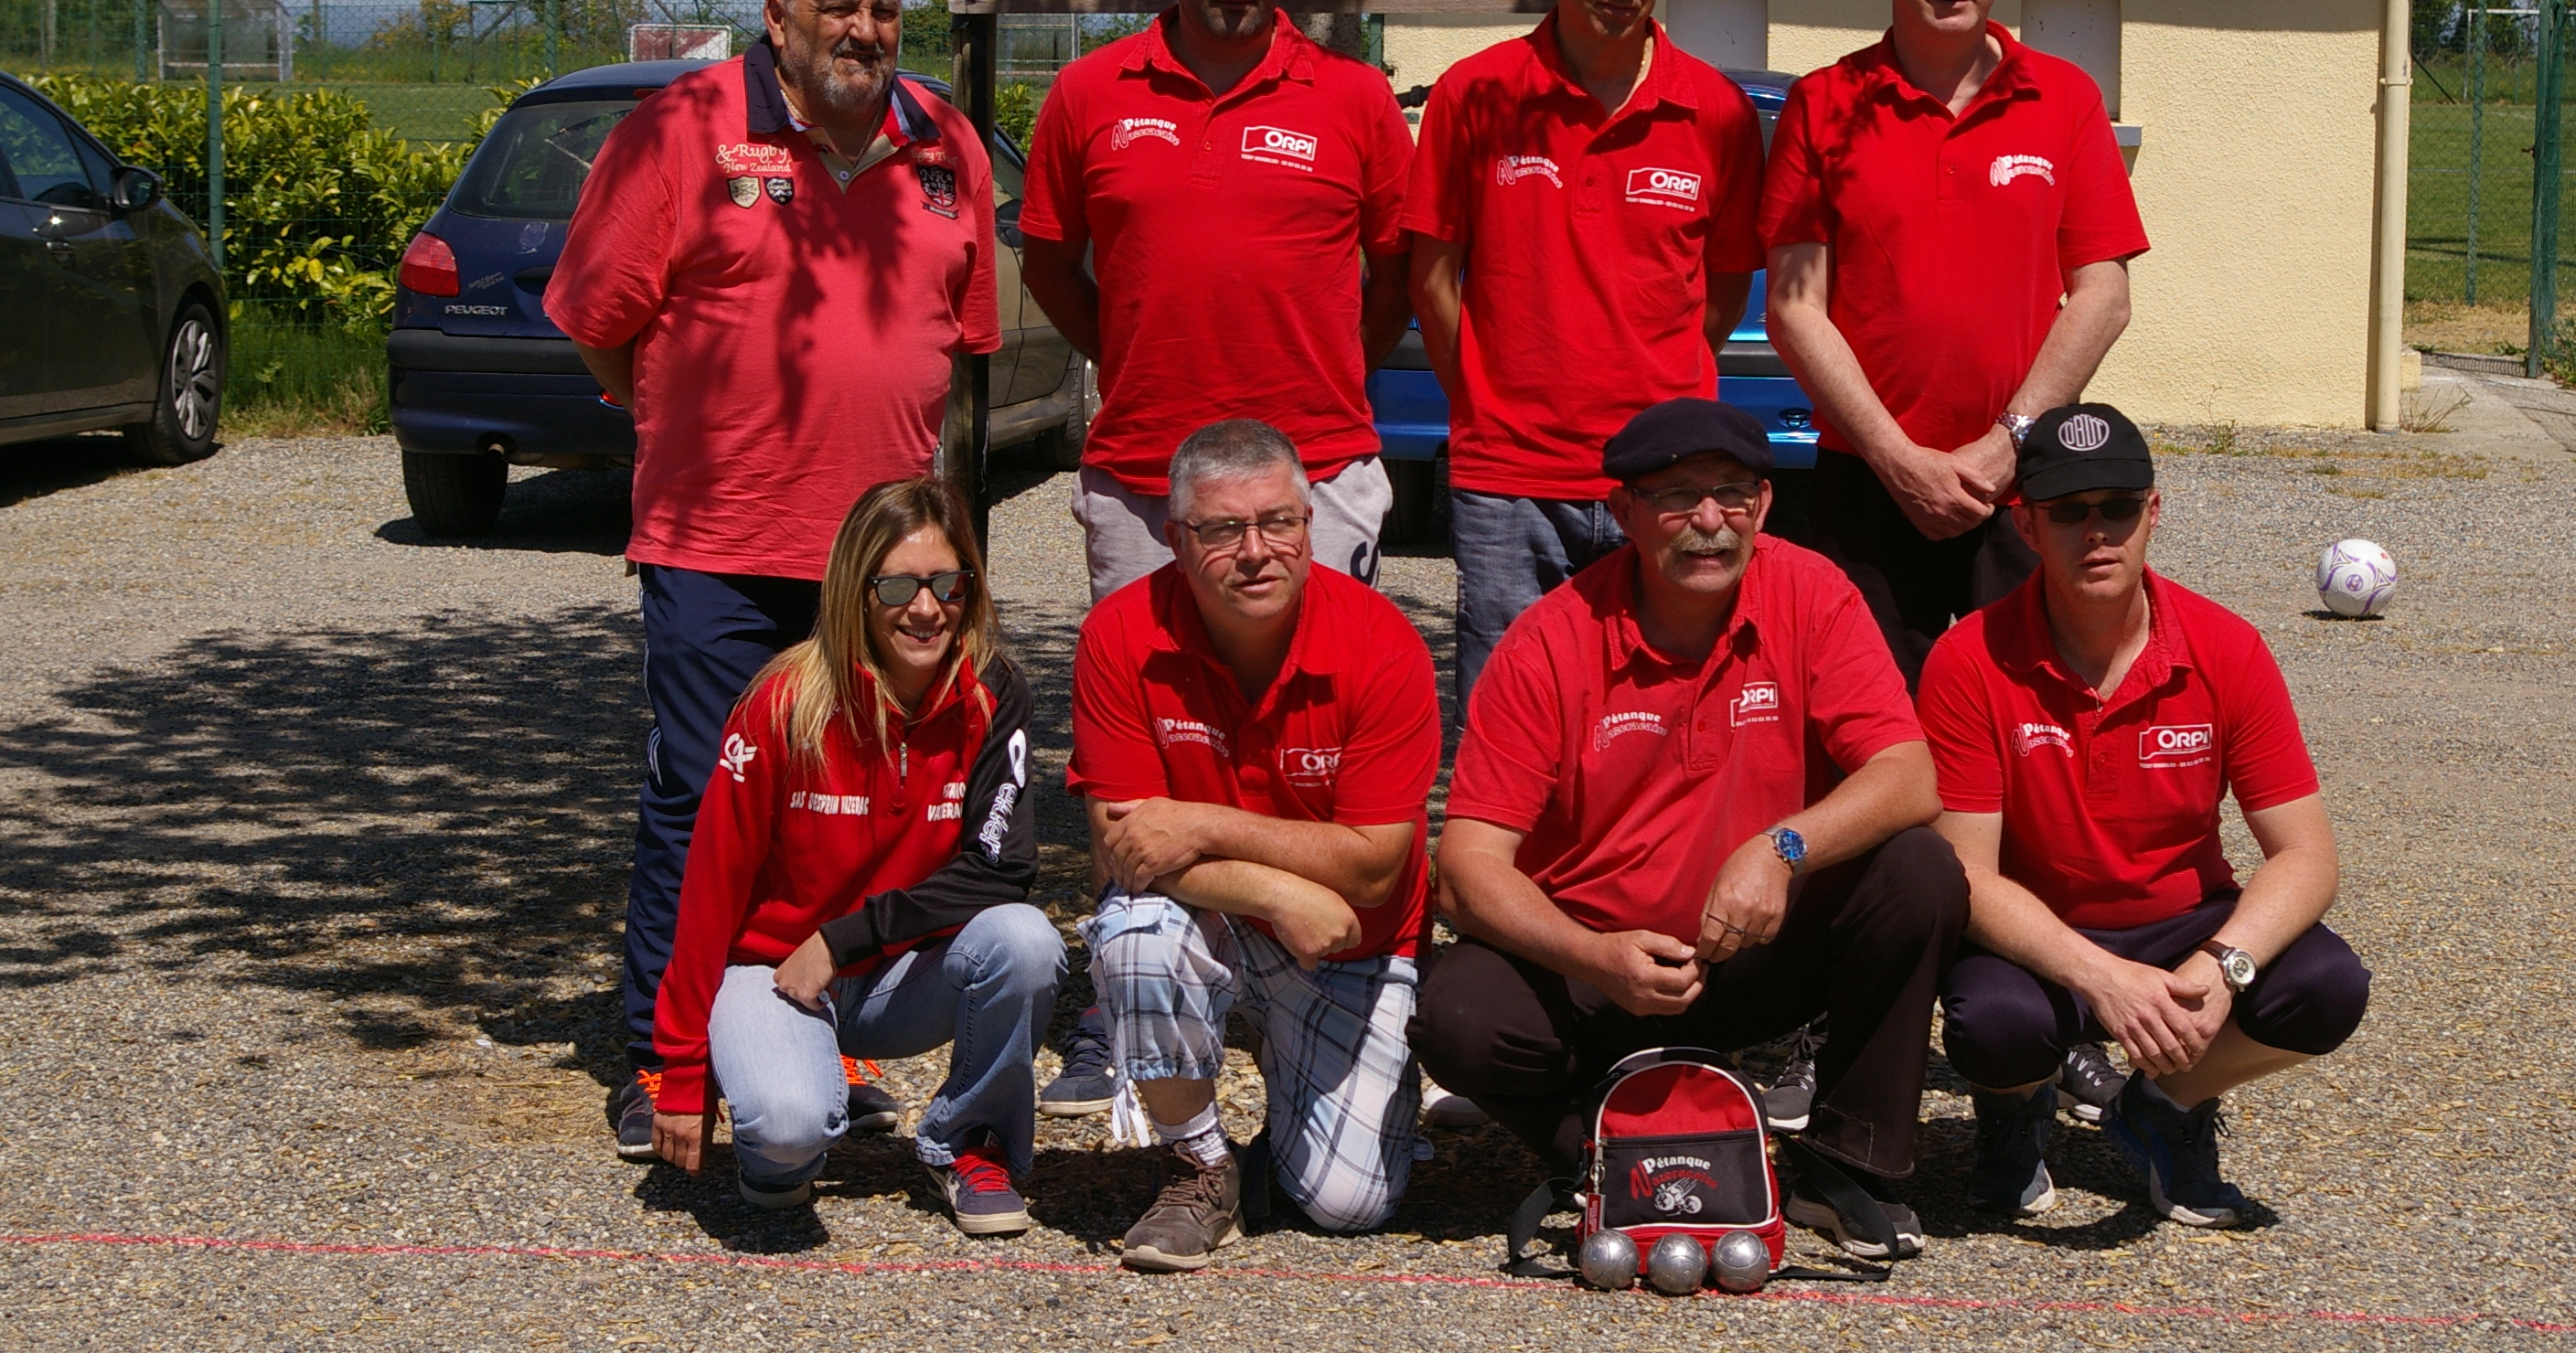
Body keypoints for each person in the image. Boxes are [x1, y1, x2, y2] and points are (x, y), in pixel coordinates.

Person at [548, 0, 1002, 1157]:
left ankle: (819, 1037)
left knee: (856, 810)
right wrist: (685, 414)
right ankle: (665, 1053)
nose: (863, 30)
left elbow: (962, 340)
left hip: (879, 566)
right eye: (837, 8)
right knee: (704, 799)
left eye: (883, 10)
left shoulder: (943, 143)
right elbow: (597, 322)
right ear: (779, 17)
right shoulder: (682, 132)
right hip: (718, 538)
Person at [1413, 399, 1969, 1262]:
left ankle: (1844, 1164)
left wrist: (1781, 849)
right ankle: (1606, 1160)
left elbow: (1909, 776)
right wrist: (1590, 955)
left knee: (1920, 872)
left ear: (1765, 505)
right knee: (1457, 1017)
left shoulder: (1813, 591)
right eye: (1676, 496)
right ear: (1625, 512)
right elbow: (1467, 868)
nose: (1710, 521)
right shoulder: (1550, 641)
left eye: (1732, 492)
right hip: (1599, 966)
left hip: (1753, 948)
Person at [1920, 404, 2368, 1228]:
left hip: (2182, 924)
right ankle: (2013, 1114)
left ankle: (2165, 1103)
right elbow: (1968, 877)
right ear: (2026, 525)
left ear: (2153, 512)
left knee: (2329, 988)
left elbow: (2307, 856)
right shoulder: (1968, 660)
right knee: (1993, 1027)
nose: (2098, 532)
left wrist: (2219, 969)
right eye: (2068, 512)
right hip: (2037, 932)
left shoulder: (2226, 647)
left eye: (2118, 507)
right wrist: (2105, 979)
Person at [1760, 0, 2148, 694]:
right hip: (1866, 484)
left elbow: (2104, 294)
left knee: (2025, 727)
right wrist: (1900, 459)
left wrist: (2004, 447)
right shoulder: (1824, 106)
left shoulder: (2065, 99)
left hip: (2020, 489)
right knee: (1866, 735)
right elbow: (1796, 309)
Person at [1065, 420, 1440, 1269]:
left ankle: (1304, 1102)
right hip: (1236, 921)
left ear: (1312, 526)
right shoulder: (1121, 633)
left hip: (1350, 943)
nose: (1256, 551)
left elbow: (1376, 868)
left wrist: (1199, 823)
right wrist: (1280, 890)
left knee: (1349, 1208)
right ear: (1174, 537)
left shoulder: (1382, 644)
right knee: (1133, 937)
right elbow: (1119, 849)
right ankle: (1198, 1165)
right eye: (1222, 529)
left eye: (1279, 522)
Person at [648, 475, 1063, 1227]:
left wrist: (842, 941)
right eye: (899, 584)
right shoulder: (782, 702)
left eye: (947, 582)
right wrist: (680, 1069)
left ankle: (970, 1145)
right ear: (855, 591)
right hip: (773, 971)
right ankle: (805, 1118)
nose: (927, 607)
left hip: (899, 973)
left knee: (1025, 941)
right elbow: (710, 887)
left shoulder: (993, 692)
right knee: (783, 1134)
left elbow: (1004, 869)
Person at [1406, 0, 1765, 716]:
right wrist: (1490, 402)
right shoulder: (1476, 96)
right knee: (1510, 728)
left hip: (1670, 479)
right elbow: (1431, 278)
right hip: (1511, 482)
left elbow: (1720, 294)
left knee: (1663, 723)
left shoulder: (1714, 112)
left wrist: (1654, 384)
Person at [1019, 0, 1415, 605]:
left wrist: (1330, 369)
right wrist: (1133, 355)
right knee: (1148, 705)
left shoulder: (1355, 96)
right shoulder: (1088, 92)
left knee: (1316, 704)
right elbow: (1048, 264)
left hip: (1317, 469)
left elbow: (1402, 273)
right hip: (1145, 472)